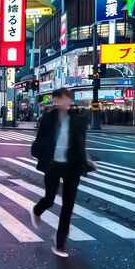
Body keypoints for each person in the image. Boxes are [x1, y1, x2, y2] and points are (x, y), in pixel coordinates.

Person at [30, 88, 94, 258]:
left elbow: (81, 143)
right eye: (59, 99)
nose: (63, 102)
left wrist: (86, 160)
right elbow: (39, 141)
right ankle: (37, 210)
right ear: (55, 101)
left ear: (70, 100)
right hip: (53, 165)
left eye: (65, 98)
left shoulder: (78, 119)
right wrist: (42, 154)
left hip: (72, 166)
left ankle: (60, 244)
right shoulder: (47, 118)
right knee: (49, 198)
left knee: (68, 205)